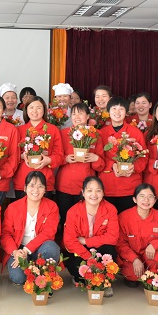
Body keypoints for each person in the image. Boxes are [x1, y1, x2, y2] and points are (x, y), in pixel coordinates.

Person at [0, 171, 60, 285]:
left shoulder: (51, 206)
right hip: (18, 248)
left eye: (40, 186)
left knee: (51, 247)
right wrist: (15, 252)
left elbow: (49, 232)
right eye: (32, 185)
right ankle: (33, 270)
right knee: (18, 278)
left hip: (40, 248)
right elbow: (5, 234)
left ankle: (43, 276)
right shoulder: (13, 207)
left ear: (45, 190)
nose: (36, 190)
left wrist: (26, 250)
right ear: (25, 188)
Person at [55, 102, 105, 238]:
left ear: (88, 116)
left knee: (85, 221)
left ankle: (84, 246)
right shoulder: (63, 133)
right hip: (65, 185)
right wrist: (65, 159)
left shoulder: (95, 134)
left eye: (80, 113)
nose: (77, 117)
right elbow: (55, 158)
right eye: (74, 114)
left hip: (86, 187)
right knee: (65, 218)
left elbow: (101, 165)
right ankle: (66, 246)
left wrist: (95, 158)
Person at [63, 176, 118, 297]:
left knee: (109, 250)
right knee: (75, 263)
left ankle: (105, 282)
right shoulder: (73, 211)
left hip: (98, 248)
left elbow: (112, 237)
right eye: (89, 190)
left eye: (98, 190)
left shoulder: (110, 209)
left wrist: (86, 241)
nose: (94, 194)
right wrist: (89, 257)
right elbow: (69, 241)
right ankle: (80, 279)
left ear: (103, 193)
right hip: (81, 250)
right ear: (83, 192)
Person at [116, 184, 158, 287]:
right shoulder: (124, 217)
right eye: (142, 196)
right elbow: (120, 243)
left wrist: (155, 244)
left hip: (150, 255)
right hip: (131, 255)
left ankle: (153, 277)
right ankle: (134, 276)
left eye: (150, 196)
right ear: (134, 199)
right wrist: (134, 259)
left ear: (155, 200)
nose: (146, 200)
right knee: (133, 275)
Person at [98, 96, 148, 213]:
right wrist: (112, 165)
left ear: (126, 112)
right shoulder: (102, 133)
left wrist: (133, 167)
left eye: (121, 109)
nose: (117, 112)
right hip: (108, 185)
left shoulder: (135, 132)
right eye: (114, 108)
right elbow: (98, 158)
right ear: (108, 111)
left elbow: (143, 158)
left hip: (130, 186)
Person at [12, 96, 64, 198]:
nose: (34, 111)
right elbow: (12, 155)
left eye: (38, 108)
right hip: (23, 180)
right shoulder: (18, 130)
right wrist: (22, 156)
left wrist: (48, 160)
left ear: (44, 110)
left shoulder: (53, 130)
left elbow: (60, 156)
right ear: (26, 110)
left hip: (45, 179)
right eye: (31, 107)